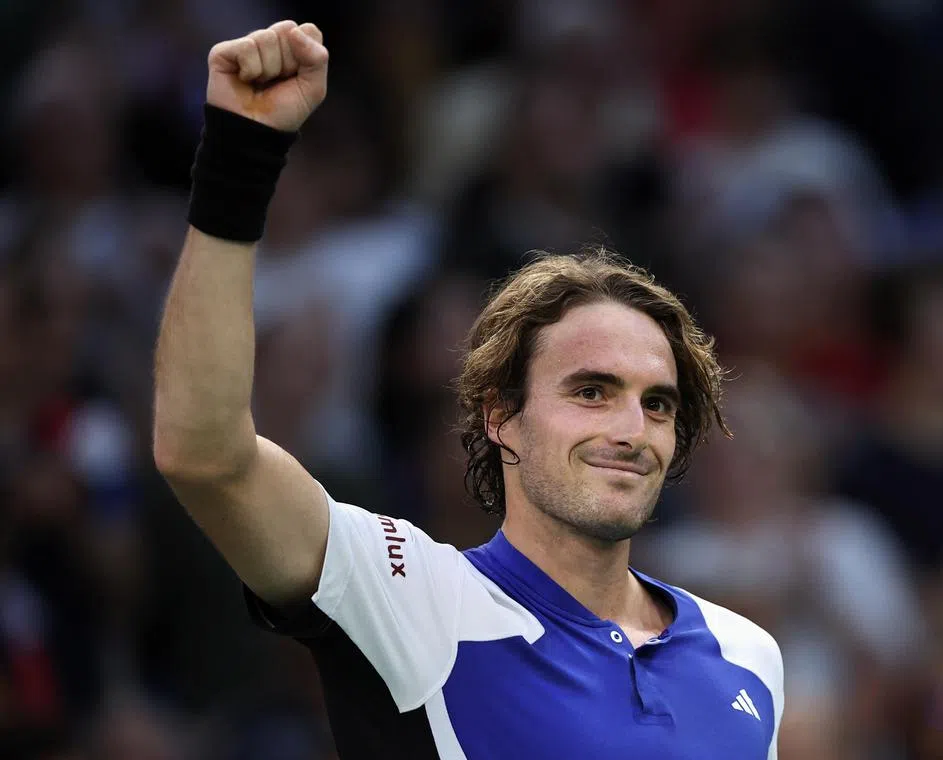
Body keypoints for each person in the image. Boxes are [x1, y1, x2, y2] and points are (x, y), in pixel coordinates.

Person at [152, 20, 784, 759]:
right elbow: (204, 453)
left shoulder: (748, 657)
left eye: (658, 403)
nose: (631, 427)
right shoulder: (411, 595)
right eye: (590, 390)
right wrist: (239, 159)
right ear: (501, 418)